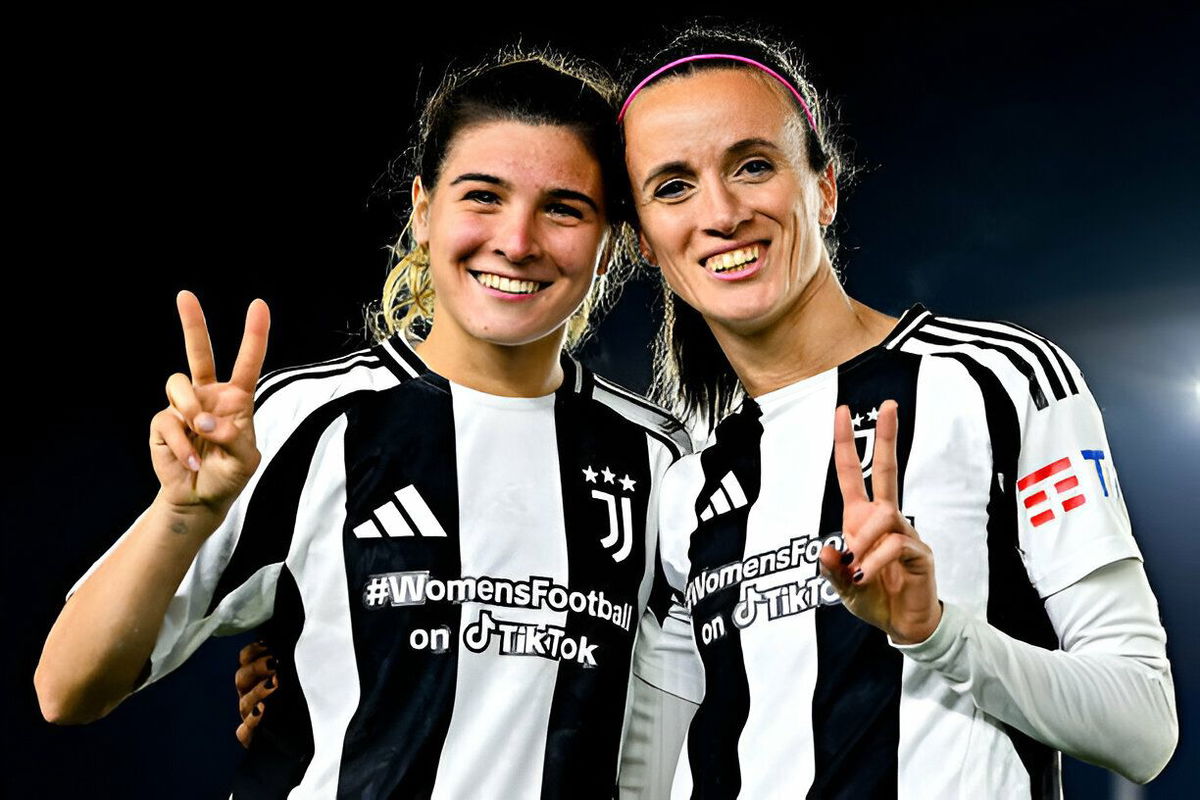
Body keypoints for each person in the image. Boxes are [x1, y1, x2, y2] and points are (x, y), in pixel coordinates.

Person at [35, 49, 690, 799]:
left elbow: (694, 711)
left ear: (609, 241)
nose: (517, 240)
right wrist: (182, 511)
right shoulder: (307, 420)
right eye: (483, 196)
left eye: (564, 208)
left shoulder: (659, 461)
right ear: (421, 208)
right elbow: (67, 689)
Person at [613, 24, 1178, 799]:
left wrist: (935, 631)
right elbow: (651, 771)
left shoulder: (997, 383)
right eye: (672, 185)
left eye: (752, 165)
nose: (721, 211)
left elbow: (1144, 727)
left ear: (824, 188)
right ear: (644, 239)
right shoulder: (684, 485)